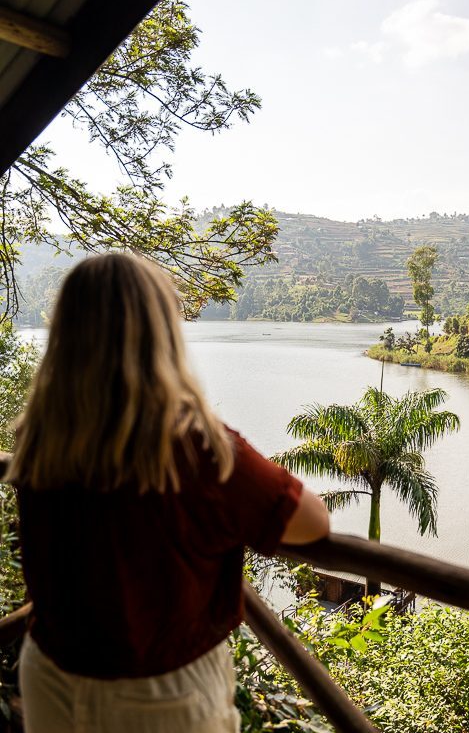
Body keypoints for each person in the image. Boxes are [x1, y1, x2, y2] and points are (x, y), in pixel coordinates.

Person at [7, 253, 329, 733]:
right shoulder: (190, 445)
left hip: (50, 671)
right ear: (160, 333)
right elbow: (312, 522)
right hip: (158, 694)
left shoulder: (40, 436)